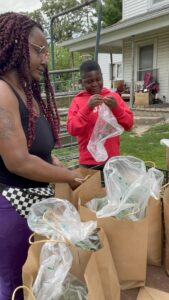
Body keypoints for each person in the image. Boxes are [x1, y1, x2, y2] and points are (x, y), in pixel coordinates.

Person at [0, 12, 83, 300]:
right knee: (15, 286)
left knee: (36, 282)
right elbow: (18, 161)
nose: (45, 58)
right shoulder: (2, 92)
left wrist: (60, 165)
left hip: (35, 207)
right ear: (16, 45)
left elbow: (40, 150)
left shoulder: (25, 91)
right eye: (39, 50)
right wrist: (69, 176)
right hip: (12, 210)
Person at [66, 60, 134, 173]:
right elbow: (72, 129)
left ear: (102, 77)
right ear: (82, 82)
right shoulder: (77, 101)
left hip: (112, 160)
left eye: (98, 79)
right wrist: (87, 108)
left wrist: (116, 108)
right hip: (88, 162)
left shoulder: (113, 97)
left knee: (112, 190)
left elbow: (129, 124)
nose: (95, 84)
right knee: (91, 190)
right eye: (89, 81)